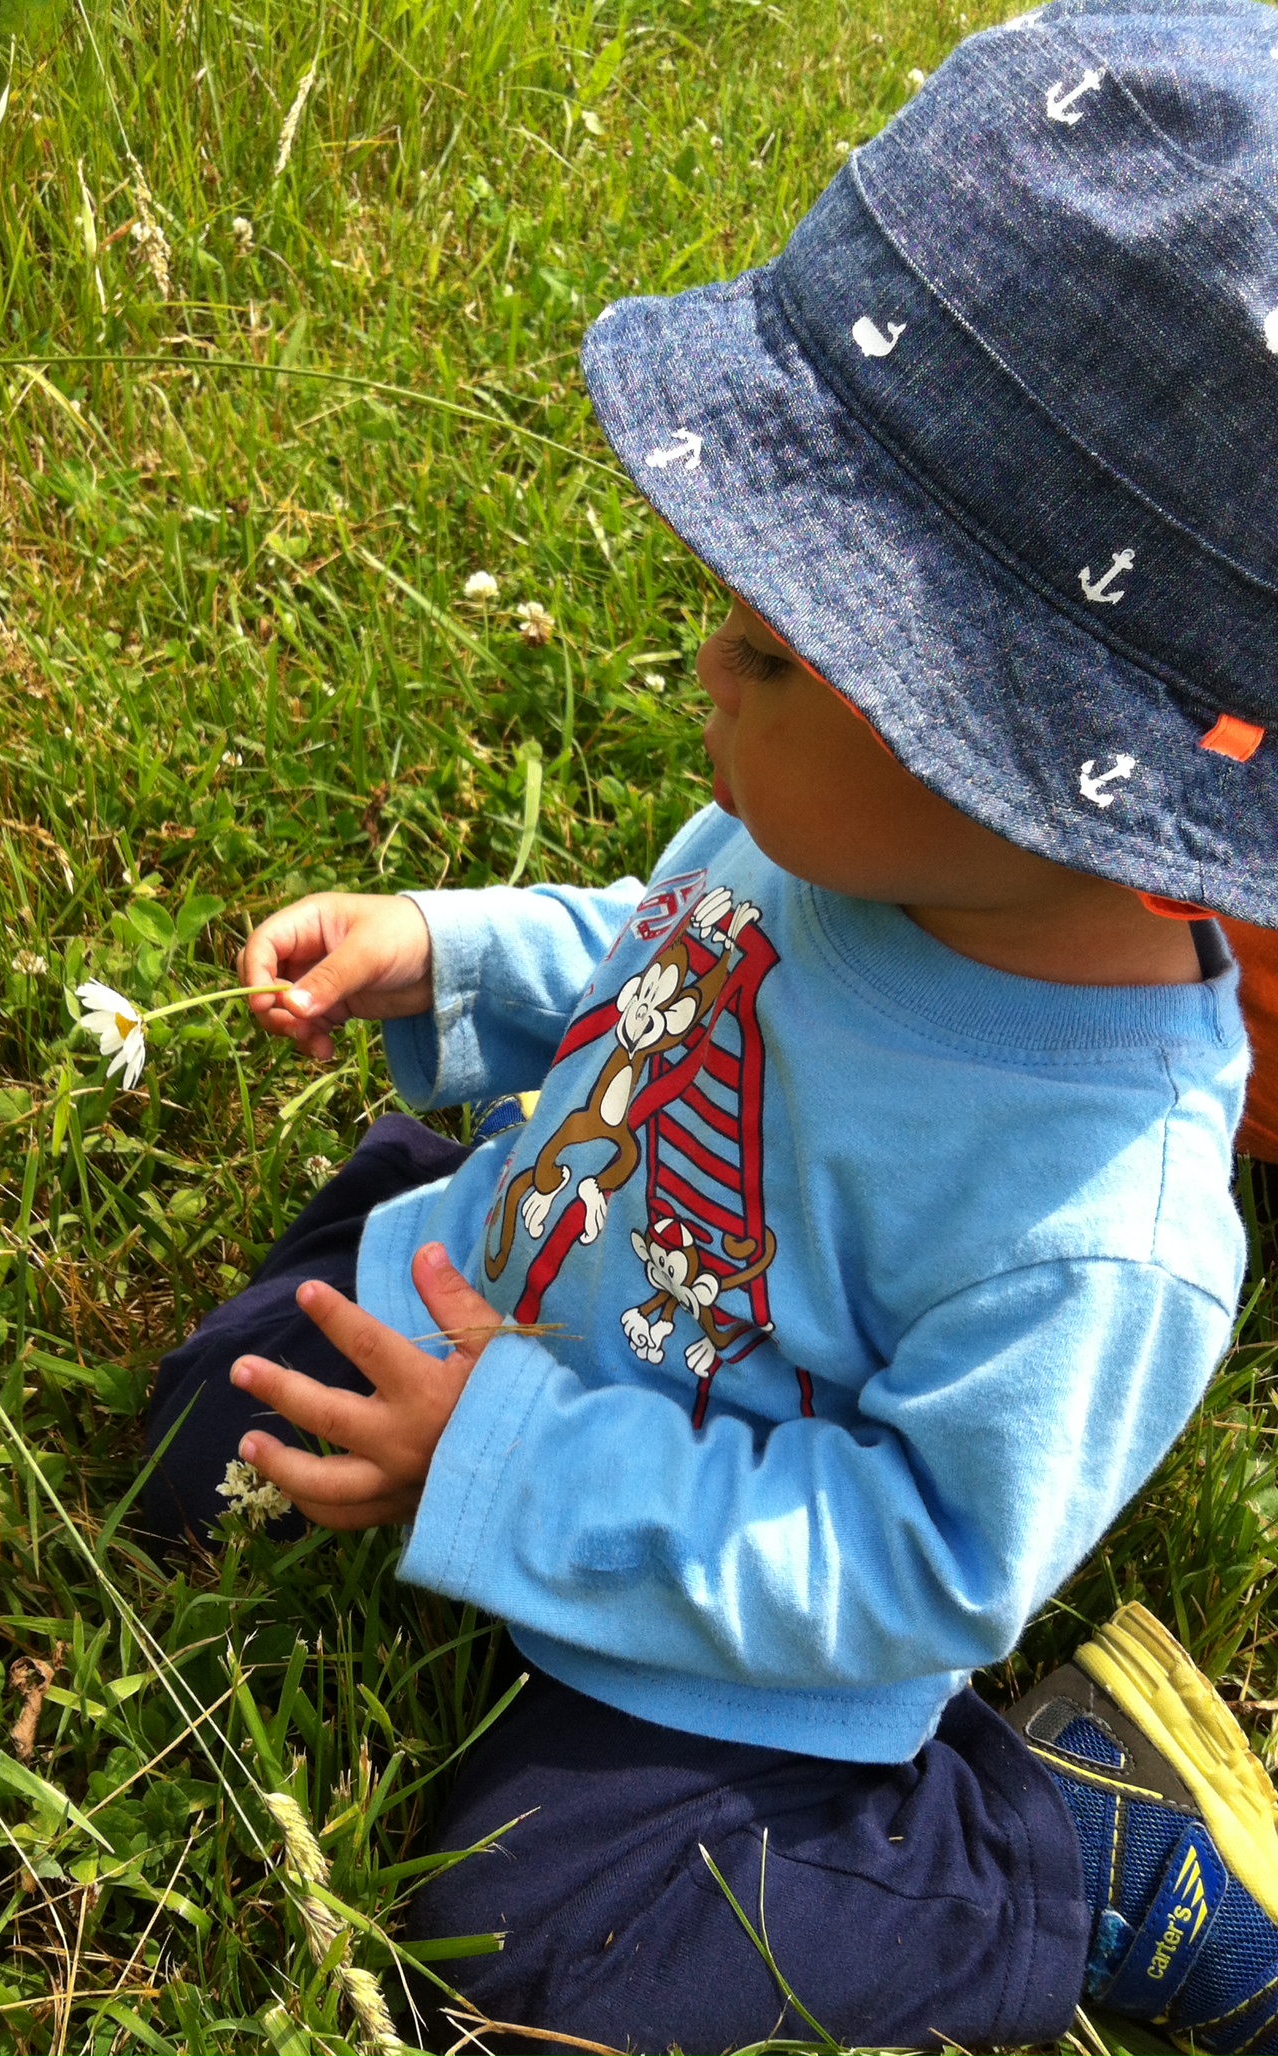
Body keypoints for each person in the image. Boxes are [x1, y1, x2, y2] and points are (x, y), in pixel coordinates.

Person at [141, 3, 1278, 2047]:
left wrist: (506, 1463)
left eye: (769, 647)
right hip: (551, 1289)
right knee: (194, 1434)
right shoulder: (846, 844)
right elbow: (660, 950)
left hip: (722, 1612)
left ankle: (1061, 1848)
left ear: (1028, 763)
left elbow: (911, 1563)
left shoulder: (1098, 1223)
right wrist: (448, 953)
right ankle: (425, 1287)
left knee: (552, 1951)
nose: (705, 668)